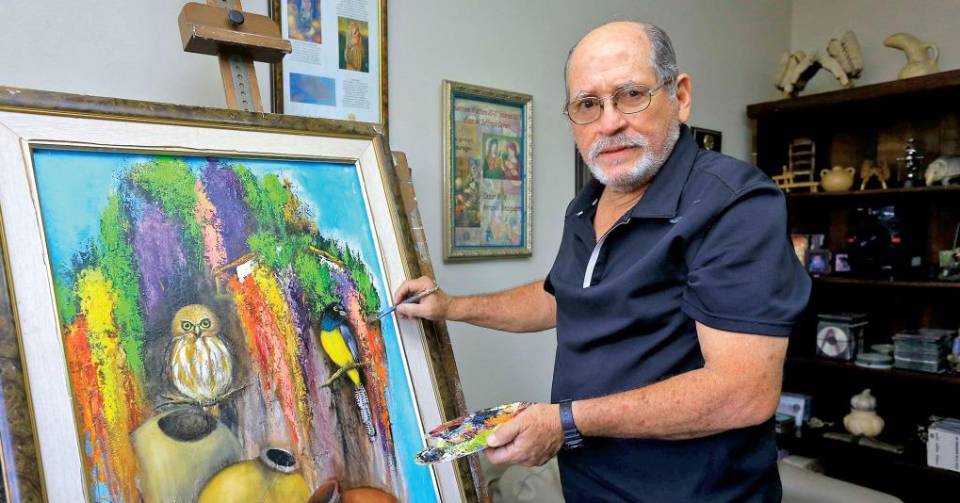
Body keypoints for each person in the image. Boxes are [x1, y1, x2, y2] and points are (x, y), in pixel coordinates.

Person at [394, 21, 810, 502]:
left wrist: (565, 421)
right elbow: (562, 297)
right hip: (590, 487)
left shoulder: (734, 203)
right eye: (588, 104)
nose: (609, 123)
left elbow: (742, 392)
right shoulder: (588, 203)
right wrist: (450, 306)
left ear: (680, 96)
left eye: (631, 95)